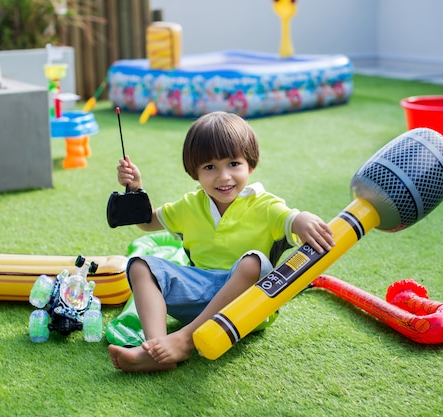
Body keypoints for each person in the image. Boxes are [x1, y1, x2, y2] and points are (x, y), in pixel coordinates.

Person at [108, 111, 334, 372]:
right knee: (139, 265)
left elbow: (290, 219)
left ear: (250, 164)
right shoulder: (190, 205)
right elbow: (147, 222)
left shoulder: (265, 204)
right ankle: (157, 349)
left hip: (248, 307)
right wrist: (136, 189)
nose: (223, 176)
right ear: (195, 173)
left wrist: (303, 218)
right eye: (210, 167)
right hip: (198, 298)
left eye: (233, 164)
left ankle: (184, 340)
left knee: (254, 262)